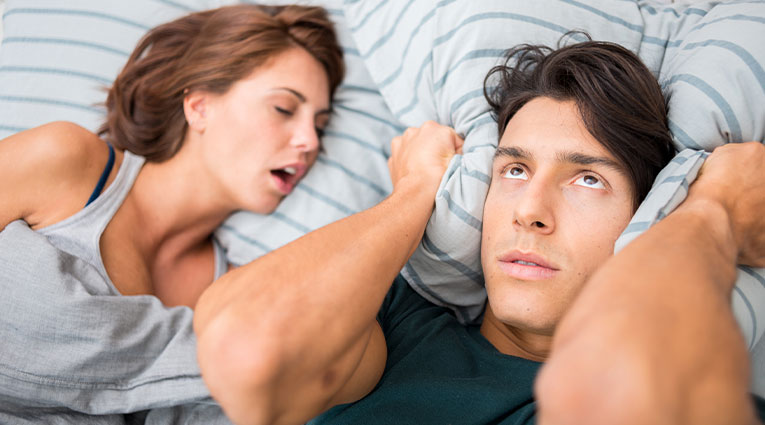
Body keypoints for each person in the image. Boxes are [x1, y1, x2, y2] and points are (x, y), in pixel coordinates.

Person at [193, 39, 765, 424]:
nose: (529, 211)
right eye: (513, 170)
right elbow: (251, 351)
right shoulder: (395, 326)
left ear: (646, 214)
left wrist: (711, 211)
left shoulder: (677, 375)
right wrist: (417, 188)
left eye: (587, 179)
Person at [0, 4, 343, 422]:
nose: (309, 142)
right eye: (284, 109)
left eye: (320, 126)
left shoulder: (235, 292)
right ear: (199, 106)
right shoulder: (67, 162)